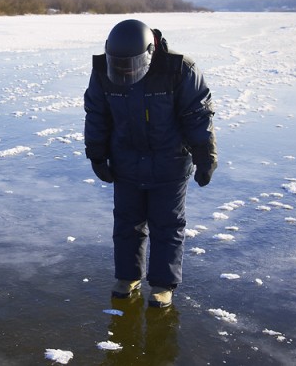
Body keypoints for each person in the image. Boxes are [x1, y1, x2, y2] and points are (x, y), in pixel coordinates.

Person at [83, 19, 217, 308]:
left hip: (170, 163)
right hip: (126, 162)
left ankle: (162, 284)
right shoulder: (103, 72)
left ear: (149, 52)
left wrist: (205, 157)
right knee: (127, 222)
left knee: (166, 225)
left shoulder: (179, 70)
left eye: (132, 64)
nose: (126, 71)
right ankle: (127, 277)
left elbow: (198, 115)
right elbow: (97, 114)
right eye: (119, 65)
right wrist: (96, 153)